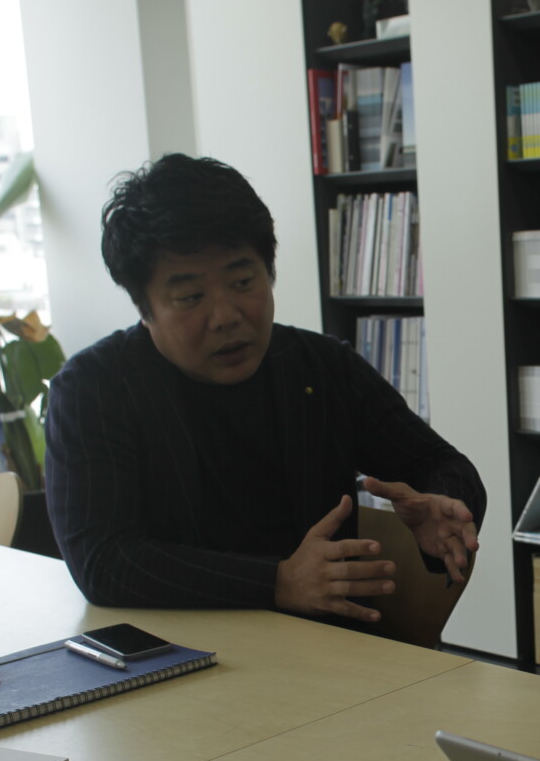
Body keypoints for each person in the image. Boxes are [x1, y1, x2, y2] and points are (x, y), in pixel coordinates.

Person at [45, 154, 484, 619]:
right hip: (172, 648)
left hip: (322, 647)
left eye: (242, 281)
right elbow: (103, 560)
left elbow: (441, 463)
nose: (226, 316)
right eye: (190, 297)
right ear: (143, 305)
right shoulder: (94, 390)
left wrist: (444, 504)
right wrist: (276, 582)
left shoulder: (320, 368)